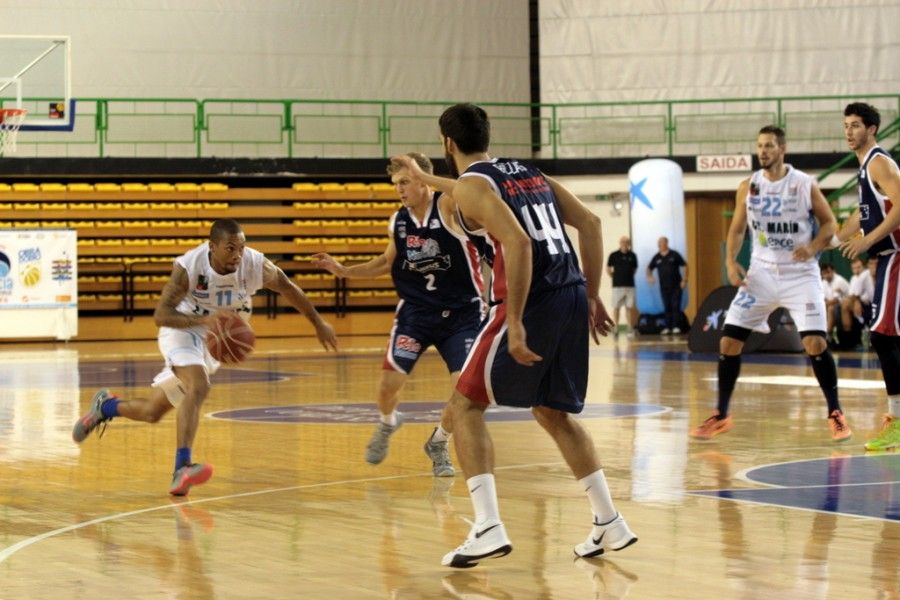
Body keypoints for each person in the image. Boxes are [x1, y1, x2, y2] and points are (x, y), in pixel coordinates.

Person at [400, 103, 636, 568]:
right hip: (570, 293)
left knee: (465, 404)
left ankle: (487, 526)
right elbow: (589, 223)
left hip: (532, 299)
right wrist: (591, 295)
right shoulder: (528, 174)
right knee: (551, 412)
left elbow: (518, 242)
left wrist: (515, 322)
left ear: (447, 143)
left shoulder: (472, 189)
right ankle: (609, 520)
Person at [72, 219, 338, 495]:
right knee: (199, 385)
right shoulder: (189, 267)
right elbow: (161, 315)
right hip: (182, 329)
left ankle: (105, 407)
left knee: (152, 412)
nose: (237, 255)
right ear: (212, 247)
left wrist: (318, 323)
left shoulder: (255, 264)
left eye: (242, 248)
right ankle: (182, 468)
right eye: (230, 248)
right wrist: (205, 320)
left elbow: (289, 289)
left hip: (216, 336)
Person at [312, 153, 486, 476]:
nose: (399, 189)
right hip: (417, 314)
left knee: (464, 390)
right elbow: (384, 262)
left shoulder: (449, 205)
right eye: (395, 184)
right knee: (387, 386)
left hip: (462, 314)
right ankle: (389, 422)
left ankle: (439, 441)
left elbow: (464, 190)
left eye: (405, 182)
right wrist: (343, 270)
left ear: (424, 180)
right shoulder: (399, 221)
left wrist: (430, 177)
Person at [690, 125, 851, 442]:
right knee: (728, 342)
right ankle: (721, 414)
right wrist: (730, 261)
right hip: (761, 274)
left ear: (782, 149)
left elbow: (830, 222)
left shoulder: (804, 184)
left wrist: (815, 247)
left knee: (815, 344)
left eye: (768, 146)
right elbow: (736, 229)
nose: (762, 151)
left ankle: (835, 412)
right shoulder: (748, 186)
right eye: (759, 145)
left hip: (800, 274)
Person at [837, 102, 900, 451]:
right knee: (891, 337)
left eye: (856, 125)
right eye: (846, 125)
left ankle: (897, 422)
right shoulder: (864, 169)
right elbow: (861, 219)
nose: (849, 131)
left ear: (872, 129)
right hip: (888, 257)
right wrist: (826, 242)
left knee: (880, 334)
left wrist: (869, 241)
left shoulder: (878, 161)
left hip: (895, 255)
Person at [646, 236, 688, 334]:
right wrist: (650, 277)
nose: (659, 244)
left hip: (676, 286)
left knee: (675, 305)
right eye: (658, 243)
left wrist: (684, 280)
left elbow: (685, 265)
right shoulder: (657, 257)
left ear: (666, 243)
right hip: (664, 287)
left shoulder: (674, 254)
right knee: (667, 306)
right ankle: (668, 327)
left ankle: (676, 326)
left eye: (661, 242)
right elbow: (649, 268)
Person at [836, 257, 874, 348]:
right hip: (858, 304)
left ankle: (847, 339)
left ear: (864, 266)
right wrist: (856, 301)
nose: (857, 270)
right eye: (854, 268)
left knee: (844, 304)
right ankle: (848, 337)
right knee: (841, 306)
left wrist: (856, 300)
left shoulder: (866, 274)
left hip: (869, 305)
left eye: (859, 267)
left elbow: (855, 296)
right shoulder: (853, 278)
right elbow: (853, 295)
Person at [606, 236, 639, 338]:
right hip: (617, 286)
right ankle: (615, 328)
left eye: (626, 242)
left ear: (629, 244)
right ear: (619, 243)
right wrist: (613, 276)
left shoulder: (632, 255)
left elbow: (634, 269)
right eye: (622, 242)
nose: (624, 243)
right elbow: (608, 268)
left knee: (629, 307)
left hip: (630, 286)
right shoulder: (614, 255)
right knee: (616, 307)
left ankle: (629, 328)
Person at [820, 263, 849, 340]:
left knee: (830, 309)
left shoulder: (839, 280)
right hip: (832, 305)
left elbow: (836, 300)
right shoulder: (823, 283)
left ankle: (827, 334)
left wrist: (823, 305)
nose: (827, 275)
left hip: (845, 306)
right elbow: (824, 298)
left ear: (833, 271)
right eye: (824, 273)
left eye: (828, 272)